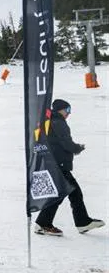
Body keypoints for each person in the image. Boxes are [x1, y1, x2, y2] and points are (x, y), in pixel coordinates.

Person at [34, 99, 104, 236]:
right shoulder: (58, 122)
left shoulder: (49, 121)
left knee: (67, 193)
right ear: (60, 110)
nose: (68, 113)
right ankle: (46, 223)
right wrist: (78, 148)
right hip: (59, 164)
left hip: (53, 163)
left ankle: (79, 222)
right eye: (67, 110)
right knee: (72, 192)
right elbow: (66, 143)